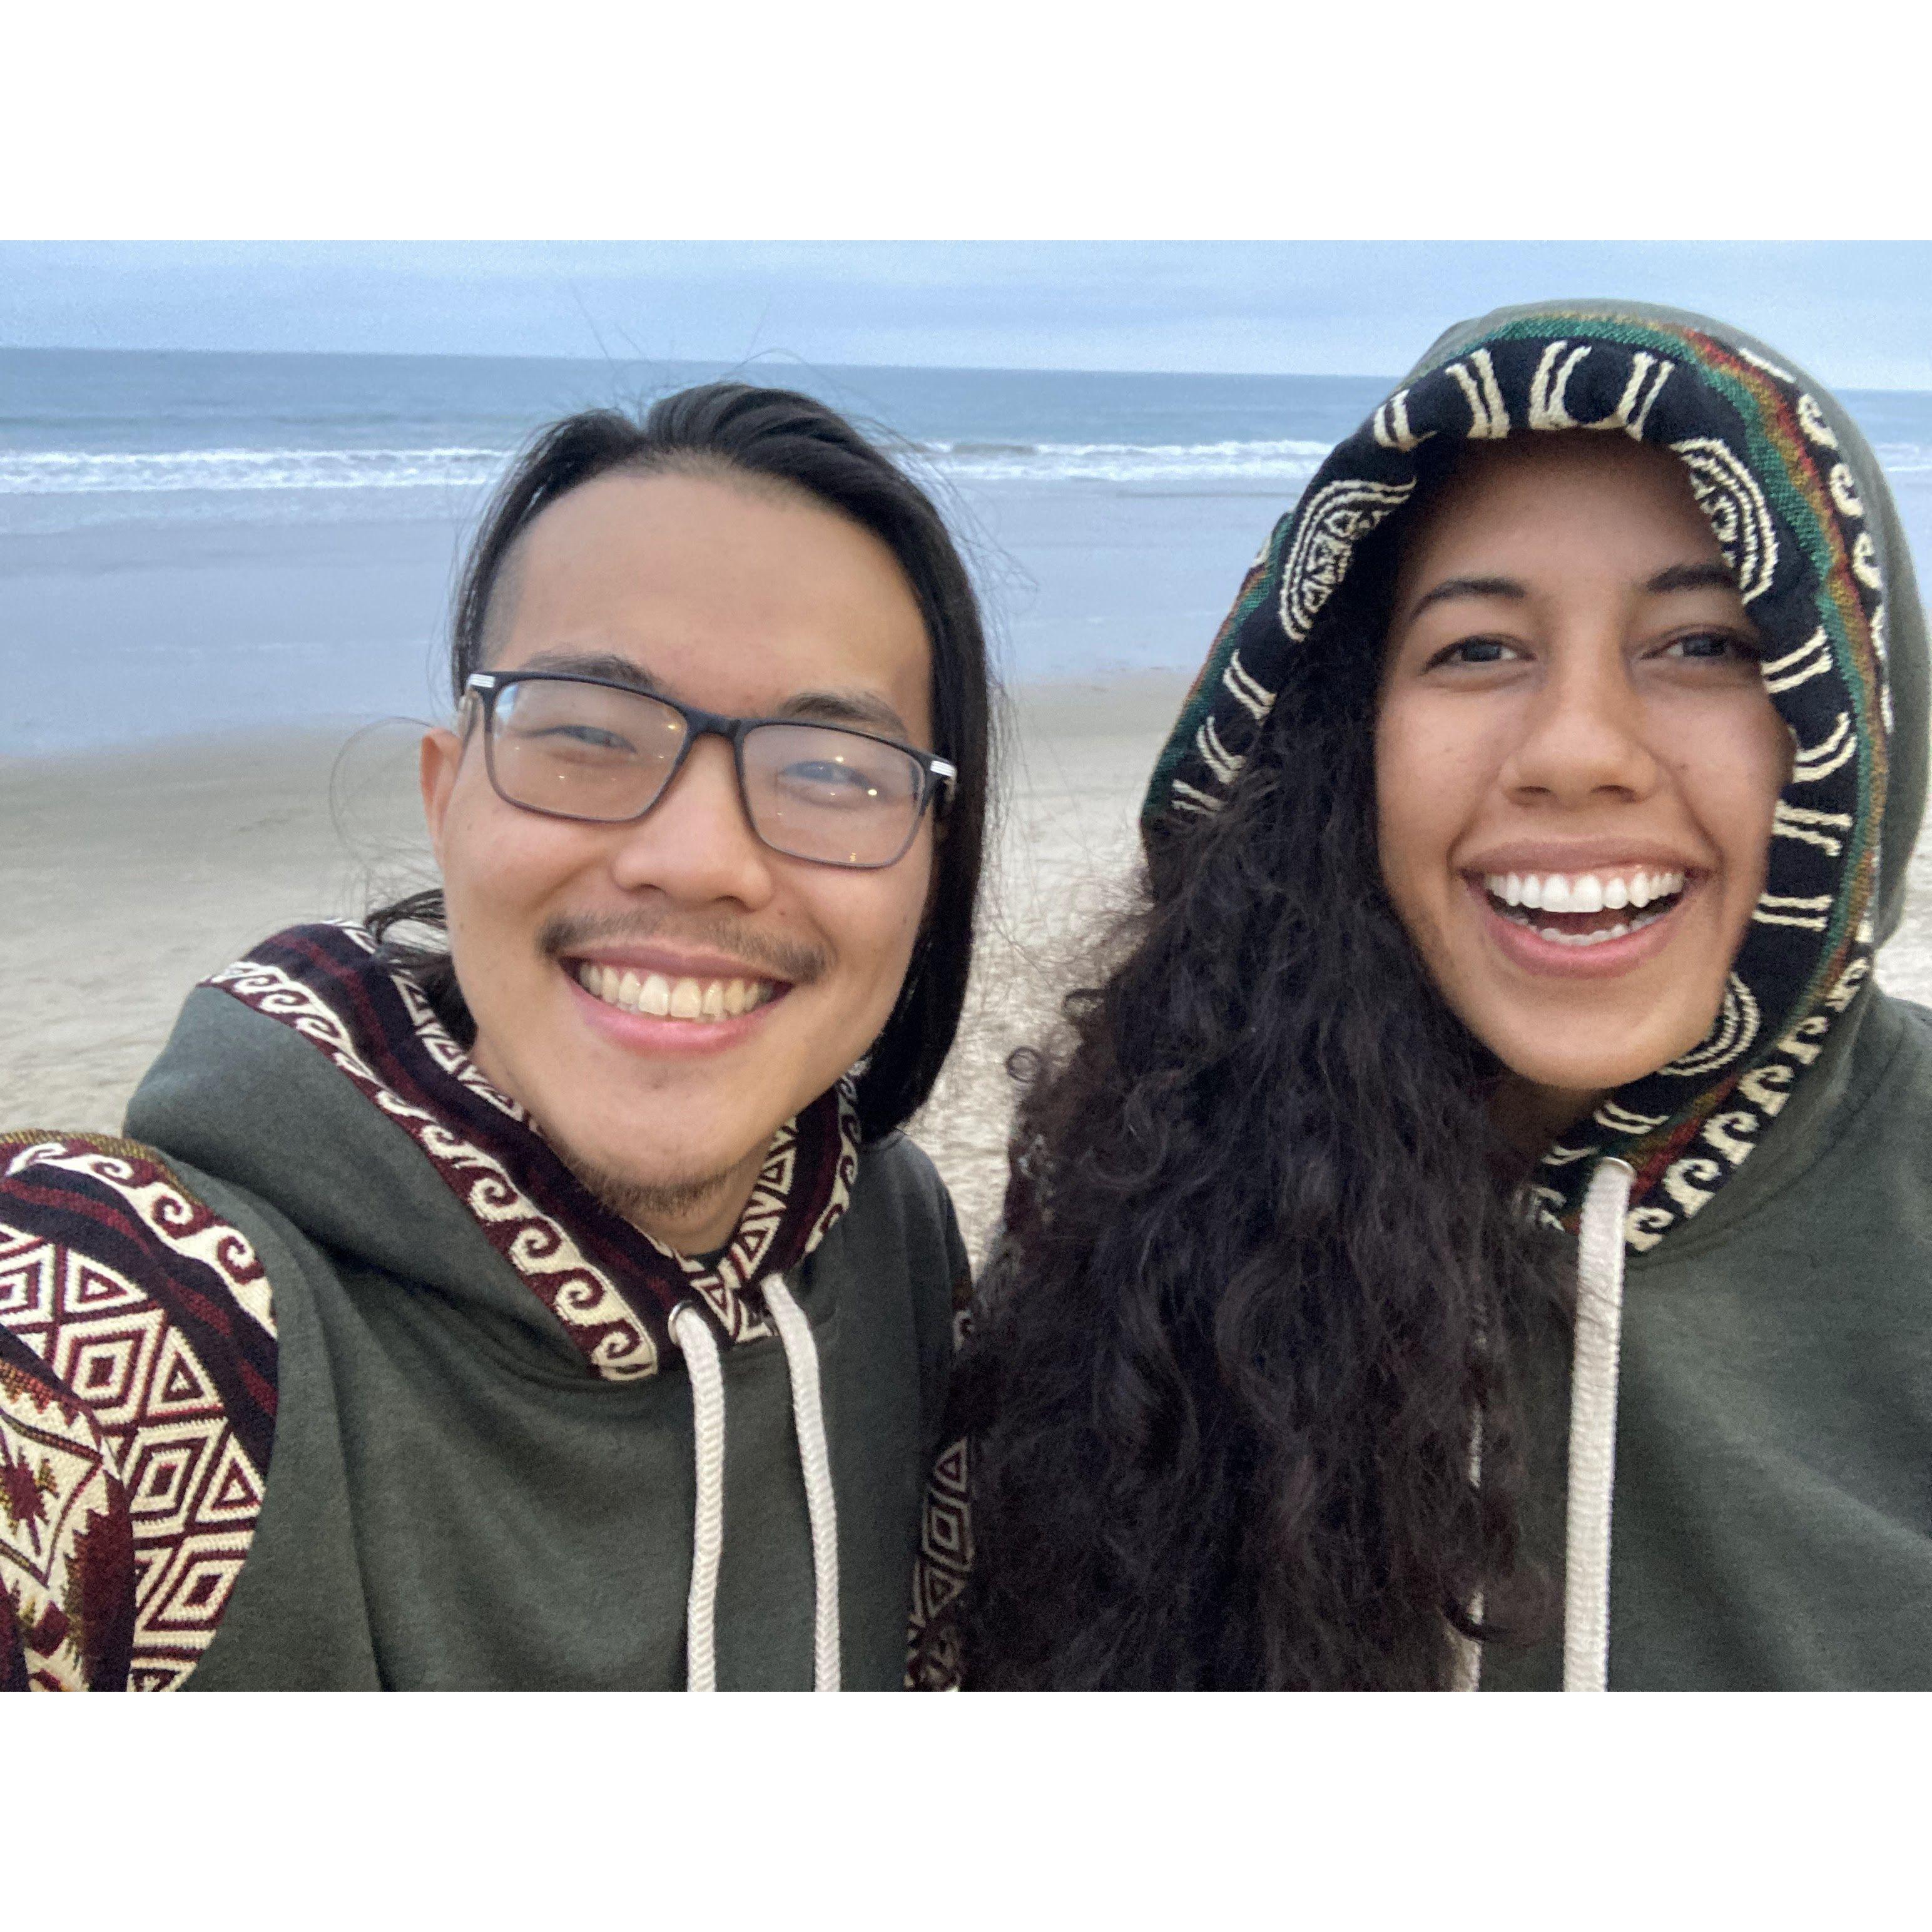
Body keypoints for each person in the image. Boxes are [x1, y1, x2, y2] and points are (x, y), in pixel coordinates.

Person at [916, 299, 1932, 1690]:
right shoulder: (1163, 1210)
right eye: (1475, 649)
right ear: (1342, 739)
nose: (1574, 751)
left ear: (1845, 721)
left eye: (1701, 643)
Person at [1, 382, 990, 1691]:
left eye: (825, 769)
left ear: (928, 867)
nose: (697, 858)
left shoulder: (885, 1239)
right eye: (584, 733)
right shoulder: (149, 1329)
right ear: (446, 795)